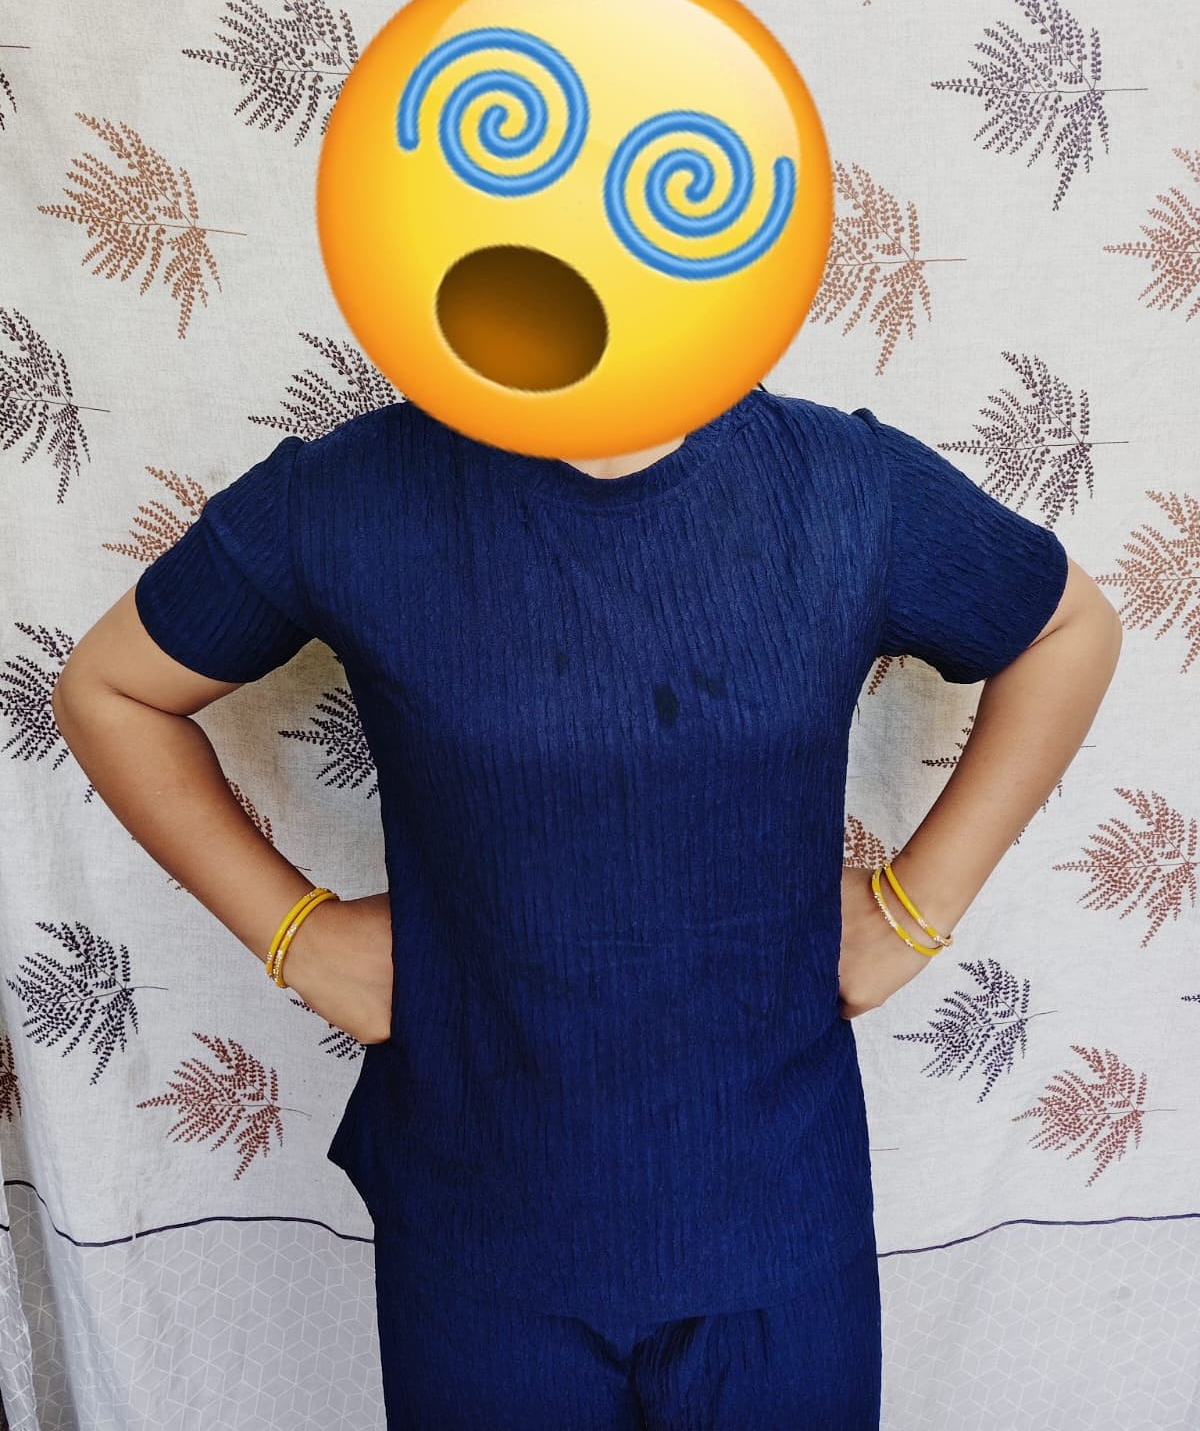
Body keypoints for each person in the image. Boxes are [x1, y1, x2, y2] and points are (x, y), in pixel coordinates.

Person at [52, 381, 1122, 1429]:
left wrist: (915, 908)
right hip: (479, 1232)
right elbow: (110, 690)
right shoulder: (346, 493)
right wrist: (301, 937)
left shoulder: (848, 486)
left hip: (780, 1222)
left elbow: (1067, 630)